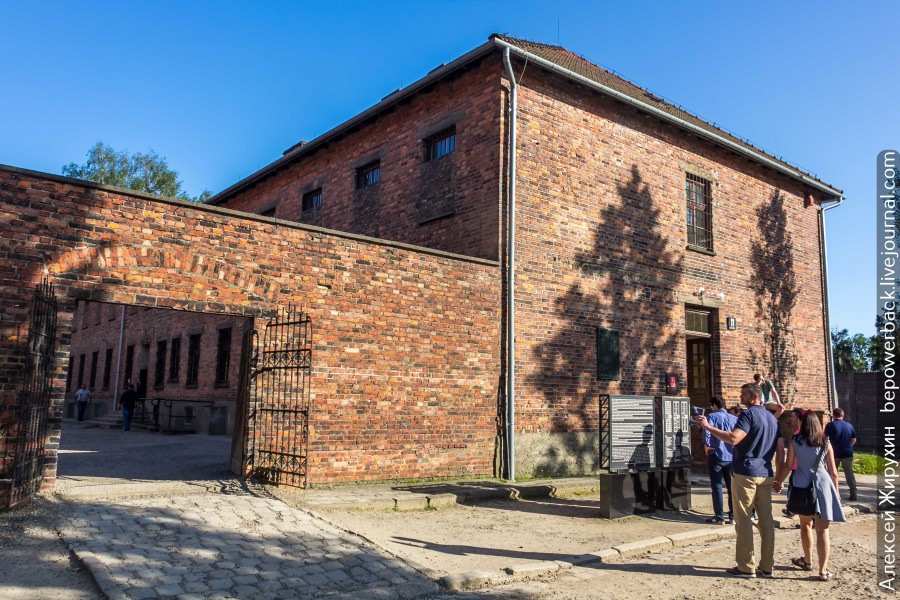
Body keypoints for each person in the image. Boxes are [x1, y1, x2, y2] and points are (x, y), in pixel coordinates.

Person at [695, 383, 785, 578]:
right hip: (766, 473)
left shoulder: (748, 415)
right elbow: (780, 452)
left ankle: (746, 566)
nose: (740, 396)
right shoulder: (772, 418)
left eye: (743, 394)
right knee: (766, 521)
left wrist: (708, 427)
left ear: (753, 396)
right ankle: (767, 565)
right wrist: (779, 478)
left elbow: (734, 439)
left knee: (743, 518)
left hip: (746, 472)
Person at [774, 409, 845, 581]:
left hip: (802, 486)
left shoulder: (795, 441)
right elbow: (833, 472)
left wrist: (778, 482)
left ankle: (807, 561)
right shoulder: (825, 441)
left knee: (805, 525)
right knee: (822, 530)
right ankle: (823, 571)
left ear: (803, 423)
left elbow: (789, 465)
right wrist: (836, 493)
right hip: (823, 486)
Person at [703, 397, 738, 524]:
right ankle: (733, 516)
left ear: (714, 405)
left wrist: (707, 445)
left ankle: (719, 516)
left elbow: (706, 432)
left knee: (717, 486)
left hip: (716, 454)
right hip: (731, 456)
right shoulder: (734, 418)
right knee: (731, 487)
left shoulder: (711, 416)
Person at [824, 408, 858, 501]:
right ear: (842, 416)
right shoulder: (849, 426)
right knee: (849, 473)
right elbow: (853, 439)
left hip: (834, 453)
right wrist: (848, 446)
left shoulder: (830, 425)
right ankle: (853, 492)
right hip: (847, 452)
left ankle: (833, 492)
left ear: (833, 415)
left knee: (833, 473)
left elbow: (824, 438)